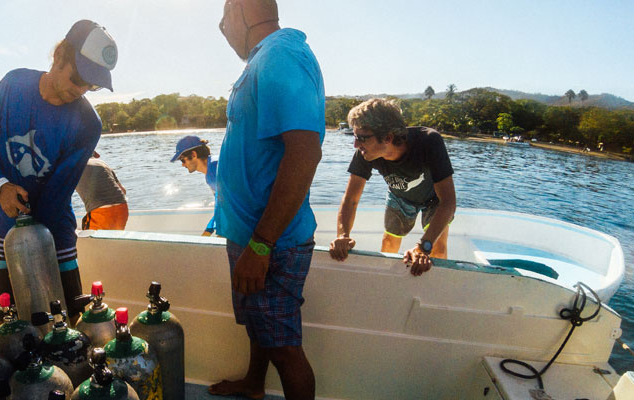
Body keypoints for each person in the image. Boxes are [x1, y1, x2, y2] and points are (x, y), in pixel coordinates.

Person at [0, 20, 117, 323]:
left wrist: (30, 240)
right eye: (78, 78)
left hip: (54, 233)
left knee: (67, 321)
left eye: (93, 84)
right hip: (1, 226)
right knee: (7, 318)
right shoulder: (13, 85)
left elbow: (56, 195)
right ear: (60, 56)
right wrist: (0, 184)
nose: (82, 90)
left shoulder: (89, 124)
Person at [210, 1, 325, 399]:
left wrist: (261, 244)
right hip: (251, 237)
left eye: (223, 20)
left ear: (240, 12)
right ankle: (254, 385)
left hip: (271, 242)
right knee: (261, 327)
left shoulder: (281, 56)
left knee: (284, 347)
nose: (221, 31)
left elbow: (305, 153)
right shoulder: (264, 60)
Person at [328, 98, 457, 277]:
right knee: (389, 242)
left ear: (388, 138)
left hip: (434, 200)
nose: (356, 145)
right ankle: (385, 280)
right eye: (355, 137)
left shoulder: (429, 141)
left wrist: (423, 246)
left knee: (437, 249)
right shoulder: (365, 153)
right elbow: (351, 199)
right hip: (400, 196)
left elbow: (448, 201)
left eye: (362, 138)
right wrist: (343, 235)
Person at [170, 135, 218, 236]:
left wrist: (208, 232)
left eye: (182, 160)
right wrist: (208, 231)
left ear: (193, 154)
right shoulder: (211, 170)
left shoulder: (214, 170)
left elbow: (227, 208)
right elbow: (222, 207)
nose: (183, 165)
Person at [76, 151, 128, 230]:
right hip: (122, 209)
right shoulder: (102, 163)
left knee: (85, 236)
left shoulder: (74, 166)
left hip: (100, 212)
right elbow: (123, 190)